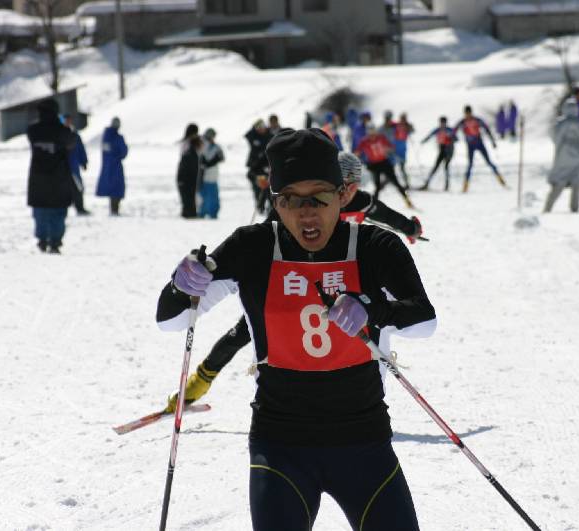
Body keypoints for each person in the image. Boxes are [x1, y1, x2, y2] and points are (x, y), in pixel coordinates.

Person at [156, 128, 436, 531]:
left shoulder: (375, 246)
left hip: (364, 441)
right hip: (280, 447)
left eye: (318, 198)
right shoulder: (251, 246)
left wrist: (372, 310)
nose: (306, 213)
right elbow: (172, 320)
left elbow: (424, 320)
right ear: (276, 202)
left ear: (342, 196)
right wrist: (180, 284)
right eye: (291, 200)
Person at [170, 151, 424, 409]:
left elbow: (389, 217)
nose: (346, 193)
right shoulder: (306, 206)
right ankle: (195, 387)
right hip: (291, 287)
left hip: (340, 292)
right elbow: (270, 236)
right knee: (240, 334)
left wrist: (411, 228)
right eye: (341, 184)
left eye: (351, 186)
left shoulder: (362, 201)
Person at [27, 99, 76, 254]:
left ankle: (42, 240)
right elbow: (72, 142)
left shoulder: (33, 130)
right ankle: (55, 242)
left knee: (40, 211)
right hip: (58, 177)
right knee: (58, 211)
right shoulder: (62, 131)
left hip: (38, 177)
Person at [544, 99, 579, 214]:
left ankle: (547, 208)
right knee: (576, 182)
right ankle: (574, 208)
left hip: (563, 158)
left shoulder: (560, 124)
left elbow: (554, 137)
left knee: (559, 182)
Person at [355, 125, 414, 207]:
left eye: (373, 132)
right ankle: (373, 205)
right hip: (374, 165)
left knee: (396, 182)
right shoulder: (364, 141)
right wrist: (359, 159)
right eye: (370, 132)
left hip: (384, 162)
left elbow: (391, 147)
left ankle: (407, 199)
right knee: (377, 186)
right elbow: (357, 152)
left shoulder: (381, 138)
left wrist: (389, 149)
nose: (372, 134)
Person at [454, 106, 506, 193]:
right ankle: (465, 186)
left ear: (471, 112)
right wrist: (453, 139)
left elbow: (486, 128)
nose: (468, 115)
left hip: (479, 143)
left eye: (469, 113)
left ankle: (501, 180)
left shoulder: (476, 120)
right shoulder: (463, 122)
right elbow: (454, 131)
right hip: (470, 146)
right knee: (470, 165)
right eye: (466, 113)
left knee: (489, 162)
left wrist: (492, 141)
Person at [95, 117, 128, 216]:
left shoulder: (106, 137)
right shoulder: (118, 138)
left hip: (107, 167)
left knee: (111, 188)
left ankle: (113, 209)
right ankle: (115, 210)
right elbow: (123, 152)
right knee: (117, 188)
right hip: (116, 167)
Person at [418, 116, 457, 191]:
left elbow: (456, 139)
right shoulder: (438, 130)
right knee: (436, 167)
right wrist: (424, 141)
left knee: (446, 167)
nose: (442, 124)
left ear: (446, 123)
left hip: (449, 150)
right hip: (441, 150)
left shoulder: (449, 130)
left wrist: (450, 138)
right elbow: (430, 135)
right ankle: (427, 184)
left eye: (443, 122)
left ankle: (447, 185)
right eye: (441, 122)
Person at [62, 114, 90, 216]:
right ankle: (61, 209)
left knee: (78, 187)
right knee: (62, 189)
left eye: (69, 120)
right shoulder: (58, 134)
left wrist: (84, 162)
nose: (68, 122)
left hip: (73, 167)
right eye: (66, 120)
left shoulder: (75, 135)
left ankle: (80, 208)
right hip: (61, 168)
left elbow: (81, 149)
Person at [245, 119, 273, 214]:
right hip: (255, 167)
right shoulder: (253, 136)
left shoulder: (270, 135)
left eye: (262, 127)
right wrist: (254, 127)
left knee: (269, 189)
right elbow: (248, 135)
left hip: (267, 166)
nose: (261, 129)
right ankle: (260, 207)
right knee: (258, 188)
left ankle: (270, 207)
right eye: (258, 127)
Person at [199, 128, 224, 219]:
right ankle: (203, 212)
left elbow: (221, 157)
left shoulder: (215, 146)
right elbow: (203, 160)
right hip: (204, 175)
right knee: (205, 195)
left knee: (211, 195)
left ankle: (211, 213)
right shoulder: (202, 145)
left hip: (212, 175)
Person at [177, 135, 202, 218]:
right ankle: (190, 214)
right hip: (186, 181)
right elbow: (185, 168)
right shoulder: (191, 154)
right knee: (188, 198)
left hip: (186, 180)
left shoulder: (190, 153)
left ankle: (189, 213)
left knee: (189, 198)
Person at [393, 112, 414, 188]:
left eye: (404, 119)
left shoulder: (407, 126)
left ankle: (407, 183)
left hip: (402, 149)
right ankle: (391, 182)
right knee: (392, 167)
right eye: (402, 118)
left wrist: (410, 127)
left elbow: (412, 130)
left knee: (402, 167)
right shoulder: (396, 125)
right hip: (395, 147)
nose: (403, 120)